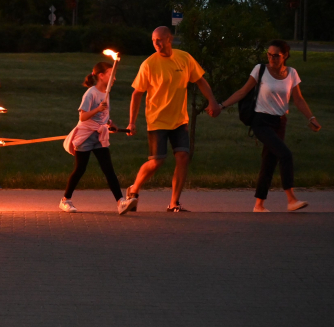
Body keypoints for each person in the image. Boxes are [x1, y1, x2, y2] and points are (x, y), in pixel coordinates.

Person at [126, 26, 221, 212]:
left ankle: (174, 203)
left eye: (160, 40)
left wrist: (212, 101)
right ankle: (134, 189)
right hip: (157, 120)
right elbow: (137, 93)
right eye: (154, 41)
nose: (157, 44)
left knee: (183, 157)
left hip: (179, 120)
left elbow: (200, 80)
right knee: (157, 161)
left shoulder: (184, 58)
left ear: (170, 39)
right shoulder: (149, 64)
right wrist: (132, 121)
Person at [219, 40, 321, 212]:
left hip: (280, 122)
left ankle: (259, 205)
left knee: (269, 161)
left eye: (276, 55)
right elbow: (243, 92)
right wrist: (221, 106)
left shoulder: (292, 73)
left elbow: (299, 99)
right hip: (261, 121)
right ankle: (291, 199)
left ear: (285, 56)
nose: (272, 58)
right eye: (269, 54)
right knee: (285, 154)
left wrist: (311, 117)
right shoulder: (260, 70)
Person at [60, 62, 133, 215]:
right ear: (101, 76)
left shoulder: (106, 93)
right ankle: (65, 200)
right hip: (85, 136)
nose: (114, 78)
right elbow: (83, 116)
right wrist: (98, 109)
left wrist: (109, 123)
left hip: (99, 137)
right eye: (110, 74)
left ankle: (120, 202)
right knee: (80, 169)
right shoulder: (91, 93)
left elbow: (103, 117)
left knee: (108, 169)